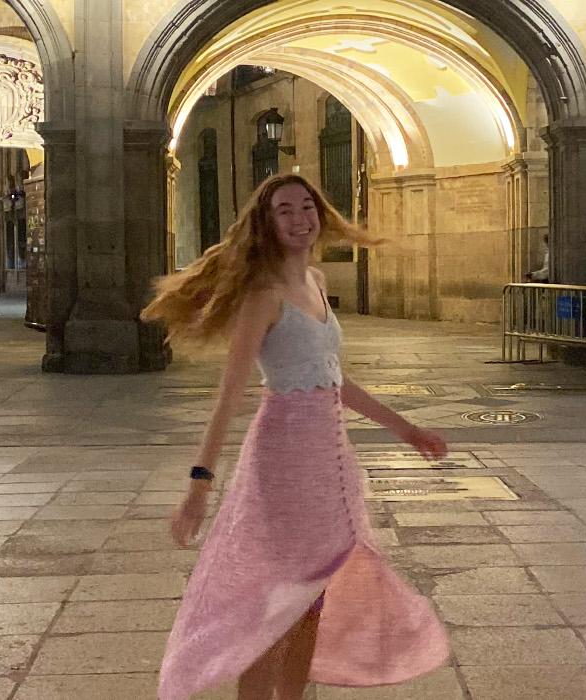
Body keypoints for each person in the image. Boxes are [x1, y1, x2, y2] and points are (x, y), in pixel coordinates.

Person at [144, 174, 450, 700]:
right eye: (284, 210)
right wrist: (199, 485)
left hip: (330, 467)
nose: (299, 219)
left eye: (306, 206)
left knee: (313, 598)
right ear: (266, 222)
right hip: (283, 462)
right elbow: (229, 395)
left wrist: (406, 429)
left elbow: (332, 378)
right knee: (277, 604)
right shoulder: (263, 296)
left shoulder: (316, 280)